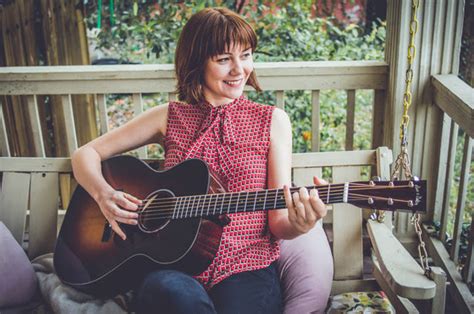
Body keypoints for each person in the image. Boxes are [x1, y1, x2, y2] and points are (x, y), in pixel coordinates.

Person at [71, 7, 328, 314]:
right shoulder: (168, 117)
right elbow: (85, 154)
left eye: (245, 55)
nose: (239, 69)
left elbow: (278, 223)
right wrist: (104, 194)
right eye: (224, 59)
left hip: (246, 265)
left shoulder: (273, 121)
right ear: (197, 61)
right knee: (179, 298)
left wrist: (301, 225)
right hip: (172, 266)